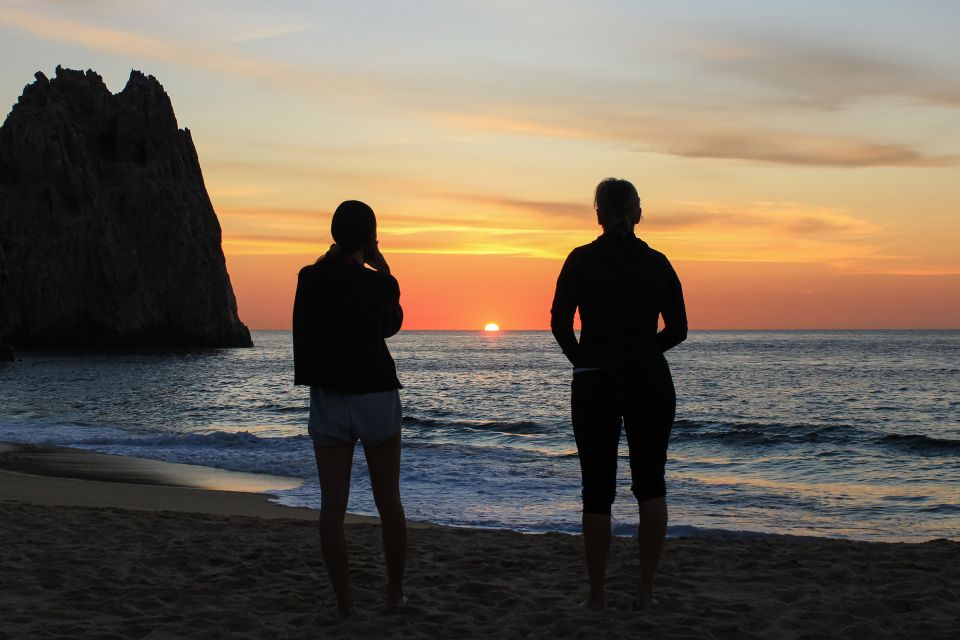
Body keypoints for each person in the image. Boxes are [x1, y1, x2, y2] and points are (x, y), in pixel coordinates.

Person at [550, 178, 687, 610]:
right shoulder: (658, 262)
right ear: (637, 214)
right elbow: (679, 329)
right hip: (649, 381)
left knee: (596, 490)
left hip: (595, 383)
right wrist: (645, 352)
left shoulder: (580, 260)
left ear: (598, 215)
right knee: (651, 486)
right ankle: (645, 591)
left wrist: (582, 359)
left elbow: (559, 322)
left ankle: (597, 594)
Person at [292, 200, 406, 616]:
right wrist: (385, 270)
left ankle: (345, 604)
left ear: (335, 235)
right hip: (374, 393)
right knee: (388, 501)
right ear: (370, 240)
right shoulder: (379, 284)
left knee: (332, 507)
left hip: (329, 398)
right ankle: (394, 594)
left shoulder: (309, 278)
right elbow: (390, 326)